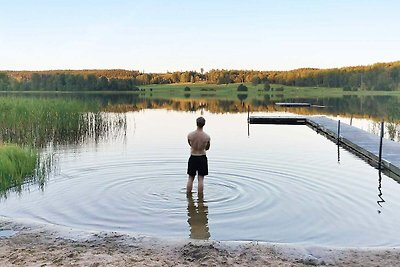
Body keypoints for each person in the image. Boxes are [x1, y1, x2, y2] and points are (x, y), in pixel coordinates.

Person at [186, 116, 210, 195]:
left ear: (196, 123)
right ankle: (200, 199)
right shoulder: (207, 137)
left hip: (193, 156)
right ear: (204, 124)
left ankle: (188, 195)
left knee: (190, 178)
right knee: (201, 179)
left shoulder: (190, 135)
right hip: (202, 157)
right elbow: (207, 148)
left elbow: (190, 144)